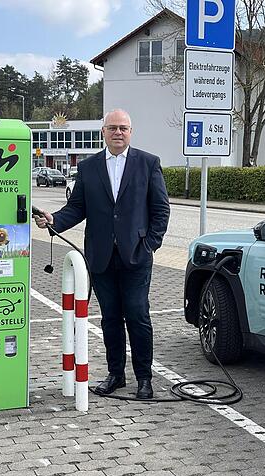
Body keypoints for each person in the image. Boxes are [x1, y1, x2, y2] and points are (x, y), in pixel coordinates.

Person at [34, 109, 170, 399]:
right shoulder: (88, 167)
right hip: (101, 257)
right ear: (103, 132)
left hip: (136, 256)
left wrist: (150, 245)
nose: (118, 132)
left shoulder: (148, 164)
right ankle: (116, 375)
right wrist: (54, 220)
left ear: (131, 132)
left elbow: (161, 210)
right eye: (112, 128)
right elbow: (77, 208)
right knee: (109, 318)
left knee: (137, 316)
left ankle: (144, 379)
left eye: (123, 128)